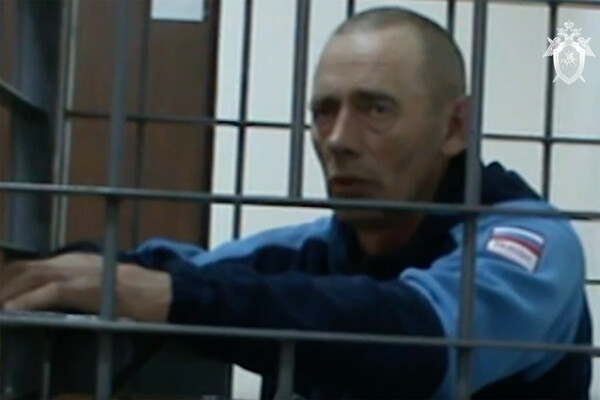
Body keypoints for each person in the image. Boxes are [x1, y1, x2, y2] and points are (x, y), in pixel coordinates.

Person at [0, 7, 591, 399]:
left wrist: (174, 295)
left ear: (455, 126)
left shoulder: (531, 246)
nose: (338, 140)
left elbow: (419, 344)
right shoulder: (316, 248)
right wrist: (75, 275)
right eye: (323, 111)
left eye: (376, 109)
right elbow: (185, 272)